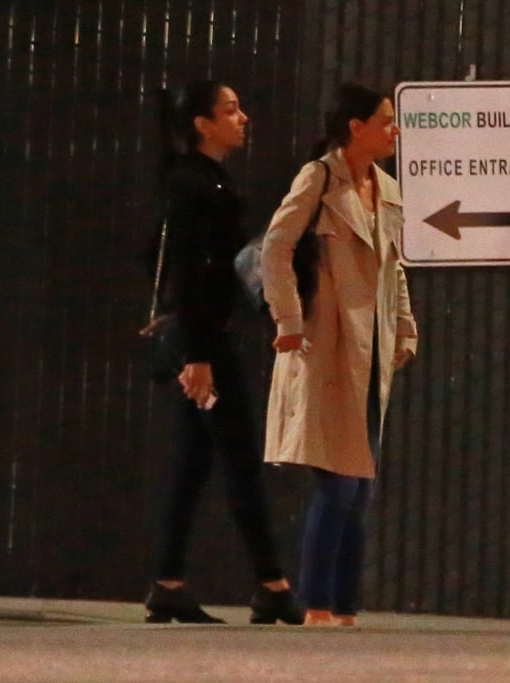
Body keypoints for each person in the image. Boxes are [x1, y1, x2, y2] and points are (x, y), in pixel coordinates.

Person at [143, 80, 304, 625]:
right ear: (202, 125)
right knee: (237, 457)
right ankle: (273, 583)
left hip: (206, 337)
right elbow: (189, 272)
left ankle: (167, 583)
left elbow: (167, 261)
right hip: (205, 344)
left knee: (193, 462)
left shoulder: (205, 180)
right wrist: (196, 355)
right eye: (231, 110)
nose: (244, 118)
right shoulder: (193, 184)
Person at [260, 82, 418, 627]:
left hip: (369, 349)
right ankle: (318, 605)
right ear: (356, 127)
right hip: (323, 345)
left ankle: (345, 608)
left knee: (361, 483)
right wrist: (287, 318)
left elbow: (393, 267)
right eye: (386, 120)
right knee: (338, 479)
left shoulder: (389, 188)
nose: (395, 129)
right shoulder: (320, 176)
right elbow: (276, 246)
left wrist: (405, 327)